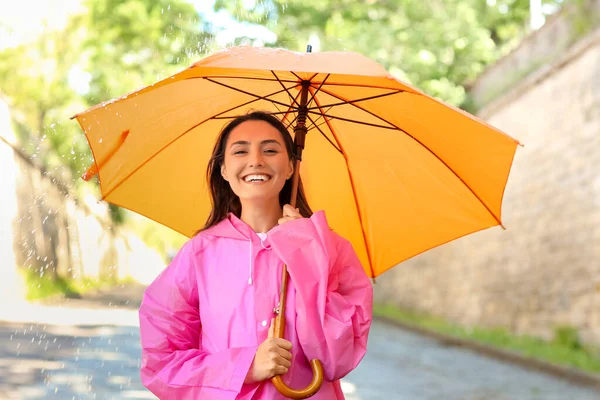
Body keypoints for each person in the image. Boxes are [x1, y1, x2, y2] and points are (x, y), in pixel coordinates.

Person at [138, 111, 373, 399]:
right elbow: (162, 362)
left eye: (270, 150)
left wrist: (306, 255)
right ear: (223, 170)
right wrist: (245, 366)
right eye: (240, 150)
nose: (256, 160)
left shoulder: (327, 248)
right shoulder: (199, 253)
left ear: (290, 167)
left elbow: (337, 359)